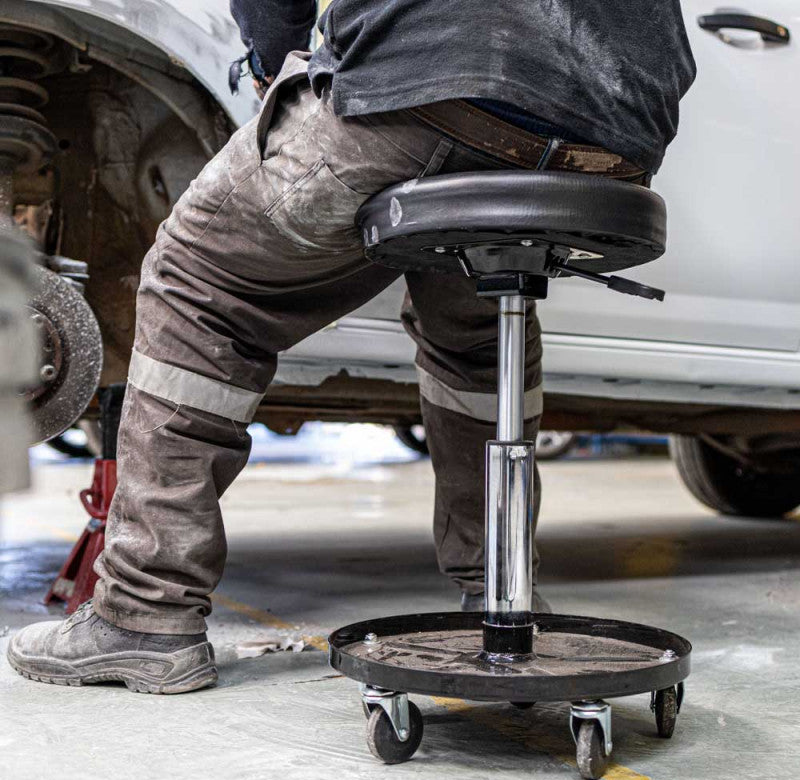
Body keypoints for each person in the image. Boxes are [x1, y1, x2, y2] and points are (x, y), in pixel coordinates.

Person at [7, 2, 695, 694]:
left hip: (436, 79)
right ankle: (498, 587)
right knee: (480, 324)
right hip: (617, 128)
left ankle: (144, 615)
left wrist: (272, 61)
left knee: (194, 281)